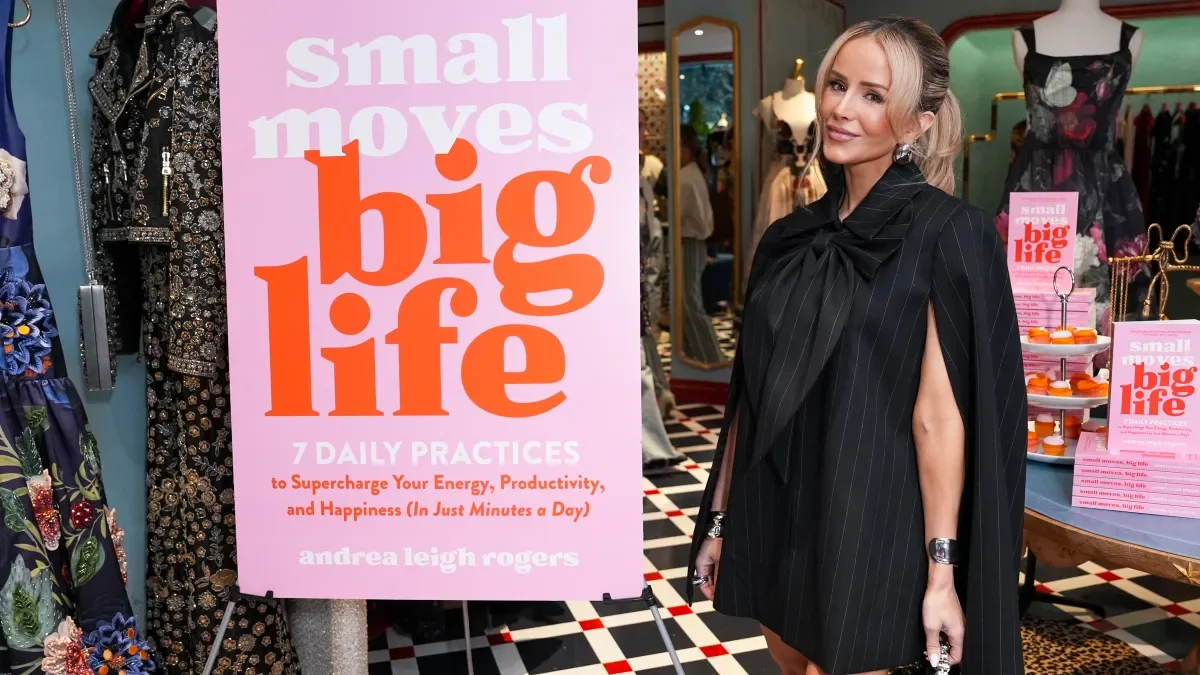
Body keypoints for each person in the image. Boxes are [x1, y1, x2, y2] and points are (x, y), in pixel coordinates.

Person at [687, 17, 1026, 675]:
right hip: (781, 509)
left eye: (873, 95)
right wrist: (720, 519)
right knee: (789, 661)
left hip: (874, 524)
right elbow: (751, 394)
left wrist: (942, 574)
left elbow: (938, 418)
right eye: (837, 85)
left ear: (918, 121)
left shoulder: (948, 233)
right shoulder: (787, 238)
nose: (842, 108)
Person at [678, 125, 728, 364]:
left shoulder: (685, 178)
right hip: (693, 244)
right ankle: (696, 356)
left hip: (689, 244)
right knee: (688, 303)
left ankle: (711, 358)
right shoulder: (691, 174)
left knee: (689, 304)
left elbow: (678, 215)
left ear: (685, 148)